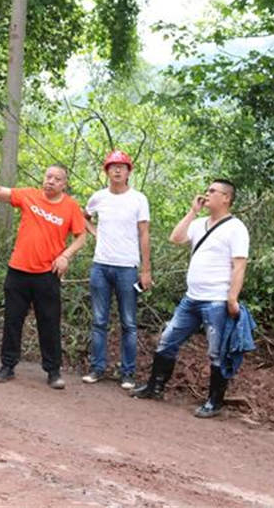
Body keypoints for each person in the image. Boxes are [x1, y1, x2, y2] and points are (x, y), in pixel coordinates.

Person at [131, 179, 249, 418]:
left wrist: (232, 298)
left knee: (216, 352)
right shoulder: (199, 223)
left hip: (216, 300)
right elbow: (175, 238)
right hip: (191, 298)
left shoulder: (236, 228)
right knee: (167, 340)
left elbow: (239, 265)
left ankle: (214, 402)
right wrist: (193, 211)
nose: (207, 194)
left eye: (213, 191)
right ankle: (155, 387)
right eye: (208, 190)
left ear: (226, 198)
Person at [0, 165, 86, 389]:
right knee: (12, 320)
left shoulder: (70, 206)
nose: (51, 181)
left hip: (47, 274)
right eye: (48, 176)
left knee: (49, 323)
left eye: (57, 179)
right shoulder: (29, 195)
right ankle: (7, 365)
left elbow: (81, 237)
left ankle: (53, 371)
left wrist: (65, 256)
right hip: (18, 271)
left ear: (64, 184)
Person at [82, 150, 152, 390]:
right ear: (107, 171)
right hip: (100, 265)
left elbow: (144, 233)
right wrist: (95, 233)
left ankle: (128, 373)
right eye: (113, 166)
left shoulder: (138, 199)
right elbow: (84, 217)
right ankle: (97, 368)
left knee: (129, 323)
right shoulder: (98, 197)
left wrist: (146, 270)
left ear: (129, 171)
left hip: (127, 268)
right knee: (99, 320)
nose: (117, 170)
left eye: (122, 166)